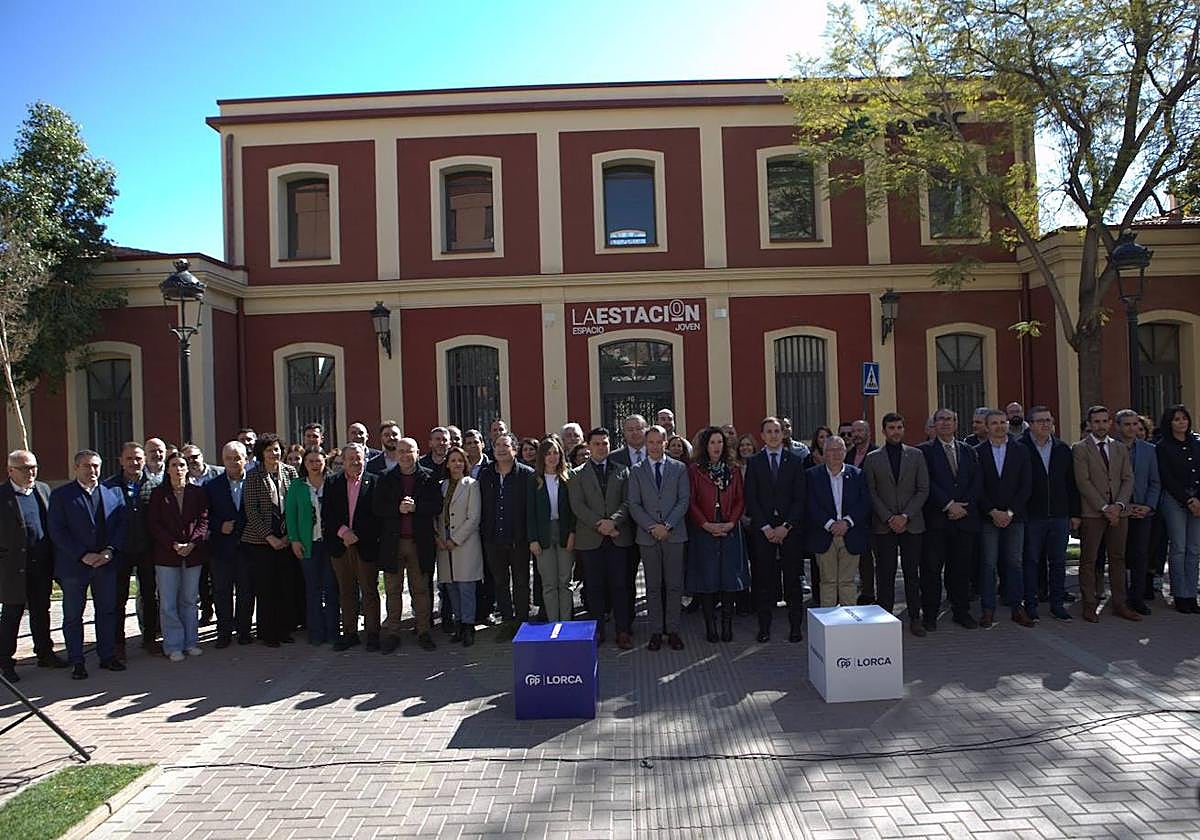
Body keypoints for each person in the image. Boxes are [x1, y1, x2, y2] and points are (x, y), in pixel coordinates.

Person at [49, 450, 127, 679]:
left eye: (95, 466)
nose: (92, 470)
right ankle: (77, 661)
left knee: (107, 611)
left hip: (105, 564)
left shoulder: (113, 493)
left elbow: (121, 526)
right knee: (73, 615)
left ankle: (107, 656)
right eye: (86, 466)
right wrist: (82, 554)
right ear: (76, 468)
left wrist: (110, 551)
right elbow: (57, 530)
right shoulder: (61, 495)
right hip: (75, 566)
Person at [0, 450, 67, 682]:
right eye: (25, 468)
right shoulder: (2, 496)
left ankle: (45, 653)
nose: (31, 472)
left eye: (34, 467)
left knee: (41, 611)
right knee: (12, 615)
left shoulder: (42, 490)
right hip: (13, 568)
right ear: (11, 471)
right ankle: (5, 662)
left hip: (41, 564)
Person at [864, 413, 932, 635]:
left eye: (899, 427)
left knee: (912, 573)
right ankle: (884, 620)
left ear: (904, 429)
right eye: (891, 427)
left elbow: (923, 489)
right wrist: (889, 517)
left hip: (912, 524)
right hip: (884, 526)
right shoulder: (873, 458)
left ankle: (915, 617)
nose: (896, 431)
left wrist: (905, 516)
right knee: (885, 574)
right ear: (883, 431)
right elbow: (871, 491)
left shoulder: (916, 455)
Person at [568, 427, 635, 649]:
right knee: (594, 587)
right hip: (591, 538)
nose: (601, 447)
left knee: (620, 585)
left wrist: (613, 522)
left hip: (618, 536)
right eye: (596, 443)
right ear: (588, 446)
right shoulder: (576, 474)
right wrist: (601, 525)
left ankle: (623, 630)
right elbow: (578, 505)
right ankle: (597, 630)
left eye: (605, 443)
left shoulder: (622, 470)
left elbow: (628, 502)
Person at [744, 416, 808, 644]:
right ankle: (764, 628)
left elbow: (800, 499)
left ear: (783, 434)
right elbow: (751, 498)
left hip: (789, 532)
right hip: (764, 533)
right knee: (764, 581)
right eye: (768, 431)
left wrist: (786, 527)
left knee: (792, 580)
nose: (773, 435)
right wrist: (766, 527)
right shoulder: (754, 462)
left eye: (777, 431)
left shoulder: (794, 461)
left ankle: (795, 627)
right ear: (762, 436)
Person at [372, 437, 441, 652]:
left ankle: (423, 630)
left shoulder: (428, 477)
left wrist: (416, 507)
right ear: (395, 454)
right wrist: (397, 509)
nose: (404, 455)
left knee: (420, 589)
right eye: (400, 451)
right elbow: (377, 508)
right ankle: (393, 632)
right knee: (393, 589)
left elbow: (437, 505)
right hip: (394, 542)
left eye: (409, 451)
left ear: (417, 452)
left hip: (419, 542)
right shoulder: (384, 478)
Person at [1072, 405, 1137, 623]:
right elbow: (1083, 482)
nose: (1100, 425)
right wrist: (1104, 507)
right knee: (1089, 559)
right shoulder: (1080, 448)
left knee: (1118, 558)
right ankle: (1089, 604)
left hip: (1119, 513)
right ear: (1089, 424)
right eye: (1096, 421)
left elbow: (1128, 478)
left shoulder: (1119, 448)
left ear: (1110, 423)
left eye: (1104, 421)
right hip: (1093, 512)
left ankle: (1120, 603)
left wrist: (1118, 506)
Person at [919, 408, 982, 628]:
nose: (945, 423)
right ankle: (930, 614)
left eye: (950, 419)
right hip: (936, 521)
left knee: (961, 570)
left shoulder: (968, 451)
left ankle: (961, 612)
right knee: (931, 570)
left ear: (956, 424)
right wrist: (948, 505)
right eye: (941, 420)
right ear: (934, 425)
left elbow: (976, 482)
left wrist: (963, 507)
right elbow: (926, 482)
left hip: (964, 520)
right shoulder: (923, 452)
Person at [628, 425, 689, 651]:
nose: (654, 447)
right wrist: (652, 526)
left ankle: (672, 630)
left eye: (658, 442)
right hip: (648, 535)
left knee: (674, 585)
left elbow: (684, 499)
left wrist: (668, 525)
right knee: (653, 586)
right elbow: (633, 503)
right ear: (646, 445)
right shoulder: (636, 470)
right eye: (650, 442)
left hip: (674, 534)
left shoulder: (679, 468)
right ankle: (655, 631)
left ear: (665, 443)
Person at [687, 426, 749, 642]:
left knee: (728, 578)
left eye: (720, 442)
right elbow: (691, 501)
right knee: (707, 579)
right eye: (712, 442)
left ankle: (726, 624)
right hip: (704, 531)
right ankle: (710, 626)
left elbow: (741, 498)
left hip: (729, 530)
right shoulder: (695, 470)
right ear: (706, 446)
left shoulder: (733, 469)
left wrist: (731, 522)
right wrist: (705, 524)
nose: (716, 446)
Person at [146, 451, 209, 662]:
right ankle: (173, 645)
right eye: (174, 465)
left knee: (190, 601)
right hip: (167, 555)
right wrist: (173, 544)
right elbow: (154, 525)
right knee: (168, 603)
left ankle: (190, 642)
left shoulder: (197, 493)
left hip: (192, 554)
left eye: (182, 465)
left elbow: (203, 520)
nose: (179, 469)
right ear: (168, 468)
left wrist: (192, 543)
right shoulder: (158, 494)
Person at [1020, 407, 1080, 622]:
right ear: (1030, 424)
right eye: (1040, 421)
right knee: (1031, 562)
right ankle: (1031, 604)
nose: (1045, 424)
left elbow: (1071, 484)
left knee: (1057, 562)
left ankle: (1057, 605)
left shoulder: (1062, 448)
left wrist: (1074, 513)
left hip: (1059, 515)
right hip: (1032, 516)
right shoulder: (1020, 448)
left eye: (1048, 420)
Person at [976, 409, 1033, 628]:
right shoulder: (977, 452)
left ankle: (1017, 607)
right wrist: (992, 512)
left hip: (1014, 517)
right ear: (987, 427)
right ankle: (988, 609)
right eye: (995, 423)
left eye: (1003, 422)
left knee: (1015, 563)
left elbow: (1026, 485)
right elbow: (977, 487)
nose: (1000, 426)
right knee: (988, 564)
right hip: (988, 517)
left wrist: (1009, 513)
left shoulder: (1021, 450)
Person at [103, 442, 159, 660]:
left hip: (147, 549)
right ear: (121, 461)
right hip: (121, 550)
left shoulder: (154, 484)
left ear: (144, 460)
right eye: (129, 459)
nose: (134, 463)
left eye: (138, 459)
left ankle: (150, 638)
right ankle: (118, 642)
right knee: (119, 597)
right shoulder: (109, 487)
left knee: (149, 595)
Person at [323, 443, 382, 651]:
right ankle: (350, 633)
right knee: (346, 591)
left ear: (365, 459)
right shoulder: (332, 482)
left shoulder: (375, 482)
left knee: (369, 590)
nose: (356, 462)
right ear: (343, 461)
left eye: (359, 458)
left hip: (365, 545)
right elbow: (327, 515)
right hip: (340, 545)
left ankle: (373, 632)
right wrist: (343, 532)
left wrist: (357, 535)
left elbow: (378, 517)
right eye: (351, 459)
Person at [241, 434, 297, 647]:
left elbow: (294, 505)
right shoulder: (254, 476)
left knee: (285, 586)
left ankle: (284, 629)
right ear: (261, 454)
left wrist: (288, 535)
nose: (274, 454)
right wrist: (269, 537)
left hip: (286, 538)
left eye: (276, 449)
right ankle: (267, 633)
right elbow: (251, 511)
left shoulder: (290, 472)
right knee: (266, 588)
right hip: (260, 541)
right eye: (269, 450)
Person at [479, 433, 534, 638]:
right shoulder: (486, 475)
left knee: (521, 582)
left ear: (515, 449)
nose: (501, 449)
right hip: (493, 539)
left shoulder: (527, 475)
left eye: (506, 445)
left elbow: (531, 509)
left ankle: (522, 621)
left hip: (518, 540)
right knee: (500, 582)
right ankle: (507, 622)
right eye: (497, 445)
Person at [805, 436, 871, 607]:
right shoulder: (812, 476)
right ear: (824, 453)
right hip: (824, 534)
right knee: (828, 582)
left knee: (847, 582)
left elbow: (864, 503)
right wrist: (830, 524)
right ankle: (829, 626)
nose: (835, 454)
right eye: (831, 450)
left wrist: (847, 522)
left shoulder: (857, 474)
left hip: (851, 534)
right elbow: (810, 504)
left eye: (839, 449)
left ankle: (848, 625)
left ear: (845, 451)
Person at [285, 447, 339, 645]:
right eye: (310, 462)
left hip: (331, 544)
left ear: (325, 462)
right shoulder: (297, 486)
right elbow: (290, 515)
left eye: (318, 461)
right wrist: (294, 540)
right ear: (304, 464)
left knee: (331, 588)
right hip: (308, 544)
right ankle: (316, 633)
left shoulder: (333, 482)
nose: (314, 465)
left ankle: (333, 631)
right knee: (313, 589)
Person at [205, 442, 252, 647]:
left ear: (245, 459)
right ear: (222, 461)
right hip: (221, 547)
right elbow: (204, 516)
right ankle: (224, 632)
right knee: (222, 591)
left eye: (237, 458)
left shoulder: (254, 482)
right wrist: (218, 525)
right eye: (229, 459)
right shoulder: (212, 486)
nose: (234, 462)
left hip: (248, 545)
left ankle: (244, 631)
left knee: (246, 590)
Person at [1155, 404, 1200, 613]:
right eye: (1176, 419)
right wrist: (1187, 500)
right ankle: (1180, 594)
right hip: (1175, 500)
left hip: (1197, 499)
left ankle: (1192, 594)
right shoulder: (1163, 446)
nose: (1181, 422)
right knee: (1179, 547)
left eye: (1184, 418)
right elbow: (1167, 478)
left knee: (1193, 549)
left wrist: (1197, 498)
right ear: (1169, 423)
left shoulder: (1197, 442)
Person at [437, 447, 484, 646]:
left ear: (465, 464)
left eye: (460, 461)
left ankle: (468, 626)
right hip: (443, 541)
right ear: (447, 464)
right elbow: (434, 514)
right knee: (451, 586)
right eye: (453, 460)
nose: (456, 464)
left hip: (463, 542)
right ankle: (458, 623)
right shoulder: (441, 485)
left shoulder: (471, 485)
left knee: (466, 587)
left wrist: (455, 539)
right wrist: (438, 537)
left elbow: (474, 517)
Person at [1116, 408, 1161, 616]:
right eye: (1127, 424)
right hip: (1120, 510)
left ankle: (1138, 597)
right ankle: (1120, 597)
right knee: (1119, 555)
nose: (1132, 428)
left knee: (1141, 554)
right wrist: (1123, 505)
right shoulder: (1111, 448)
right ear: (1118, 427)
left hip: (1143, 510)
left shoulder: (1149, 450)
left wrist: (1148, 506)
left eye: (1135, 424)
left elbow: (1155, 482)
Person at [528, 437, 576, 622]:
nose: (552, 457)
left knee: (565, 581)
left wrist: (572, 533)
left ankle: (565, 622)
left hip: (564, 533)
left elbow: (574, 509)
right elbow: (529, 512)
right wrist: (532, 539)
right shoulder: (534, 480)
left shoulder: (568, 477)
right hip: (543, 534)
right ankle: (553, 622)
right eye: (548, 453)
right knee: (549, 583)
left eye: (555, 452)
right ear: (542, 457)